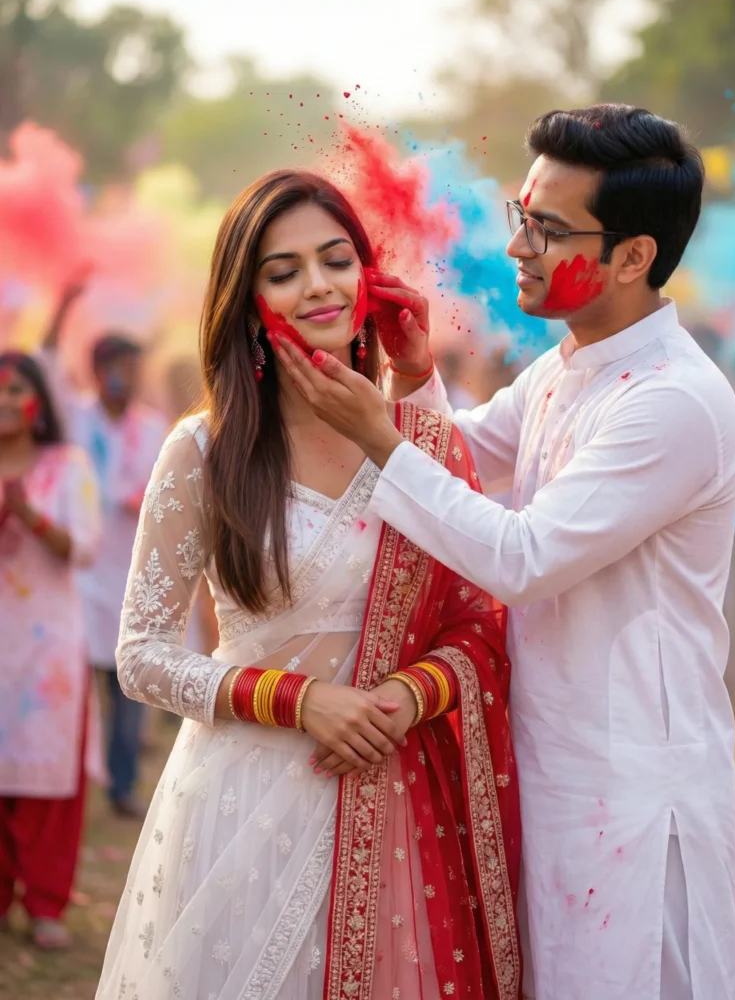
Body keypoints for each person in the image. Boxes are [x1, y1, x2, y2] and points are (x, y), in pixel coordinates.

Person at [275, 105, 735, 1000]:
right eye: (520, 216)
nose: (518, 247)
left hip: (631, 781)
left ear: (634, 255)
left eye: (548, 228)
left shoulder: (671, 401)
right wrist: (413, 378)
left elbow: (518, 558)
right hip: (547, 755)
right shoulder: (569, 366)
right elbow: (461, 464)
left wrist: (379, 434)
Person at [96, 170, 520, 1000]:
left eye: (335, 260)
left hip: (392, 792)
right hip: (239, 800)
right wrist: (296, 700)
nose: (317, 285)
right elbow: (140, 656)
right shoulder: (205, 452)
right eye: (282, 270)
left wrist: (406, 695)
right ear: (247, 298)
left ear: (369, 278)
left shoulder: (418, 444)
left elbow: (479, 621)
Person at [40, 291, 168, 818]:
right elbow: (42, 368)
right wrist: (63, 308)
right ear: (96, 370)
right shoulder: (74, 419)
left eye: (134, 368)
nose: (127, 377)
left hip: (129, 578)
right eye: (118, 367)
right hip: (74, 578)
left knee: (129, 692)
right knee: (70, 690)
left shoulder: (155, 428)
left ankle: (120, 787)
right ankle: (61, 781)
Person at [0, 352, 100, 949]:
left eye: (17, 391)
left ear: (38, 402)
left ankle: (45, 903)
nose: (7, 402)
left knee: (46, 780)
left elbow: (83, 550)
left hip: (48, 654)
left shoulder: (68, 466)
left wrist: (30, 516)